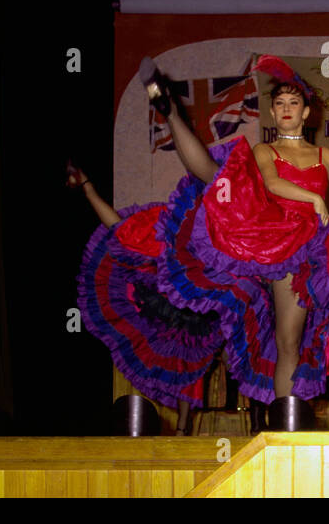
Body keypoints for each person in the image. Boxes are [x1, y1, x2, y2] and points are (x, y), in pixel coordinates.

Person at [148, 55, 329, 429]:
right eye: (279, 103)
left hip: (303, 246)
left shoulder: (324, 155)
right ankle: (170, 113)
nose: (285, 109)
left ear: (306, 112)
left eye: (292, 103)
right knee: (220, 180)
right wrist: (313, 199)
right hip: (270, 236)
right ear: (272, 111)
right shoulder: (267, 150)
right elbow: (270, 184)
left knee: (289, 342)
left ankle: (286, 427)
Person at [68, 161, 223, 435]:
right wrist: (87, 187)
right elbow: (120, 228)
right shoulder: (171, 230)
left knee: (195, 353)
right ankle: (176, 428)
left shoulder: (220, 234)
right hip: (165, 297)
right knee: (181, 349)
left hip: (203, 302)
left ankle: (183, 428)